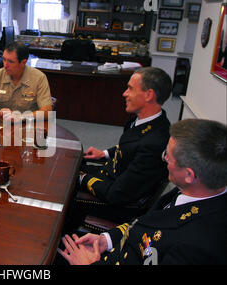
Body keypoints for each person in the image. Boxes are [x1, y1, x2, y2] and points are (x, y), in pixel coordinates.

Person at [58, 119, 227, 265]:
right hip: (115, 248)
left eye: (168, 156)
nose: (163, 159)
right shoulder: (195, 191)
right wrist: (106, 240)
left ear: (189, 175)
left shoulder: (195, 247)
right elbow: (144, 224)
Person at [71, 67, 172, 223]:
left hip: (117, 203)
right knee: (69, 163)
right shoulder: (142, 121)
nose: (124, 93)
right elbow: (129, 147)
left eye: (130, 89)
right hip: (112, 176)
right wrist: (104, 153)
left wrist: (81, 178)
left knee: (61, 188)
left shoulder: (155, 142)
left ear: (149, 95)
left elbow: (116, 194)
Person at [0, 41, 53, 120]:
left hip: (28, 125)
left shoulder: (38, 78)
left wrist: (21, 117)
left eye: (11, 62)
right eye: (4, 59)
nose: (5, 65)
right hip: (4, 126)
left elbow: (47, 111)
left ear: (23, 62)